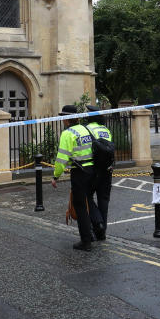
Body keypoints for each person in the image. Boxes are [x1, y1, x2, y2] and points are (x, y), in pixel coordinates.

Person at [51, 104, 100, 251]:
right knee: (89, 201)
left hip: (79, 172)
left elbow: (61, 159)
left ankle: (86, 241)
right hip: (92, 171)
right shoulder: (85, 129)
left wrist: (56, 176)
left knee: (80, 207)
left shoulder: (68, 133)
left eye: (63, 118)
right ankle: (94, 231)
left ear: (66, 119)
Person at [83, 107, 114, 241]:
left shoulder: (87, 129)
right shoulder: (105, 130)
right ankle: (102, 232)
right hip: (107, 169)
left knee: (87, 196)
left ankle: (98, 222)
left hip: (93, 170)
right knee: (104, 200)